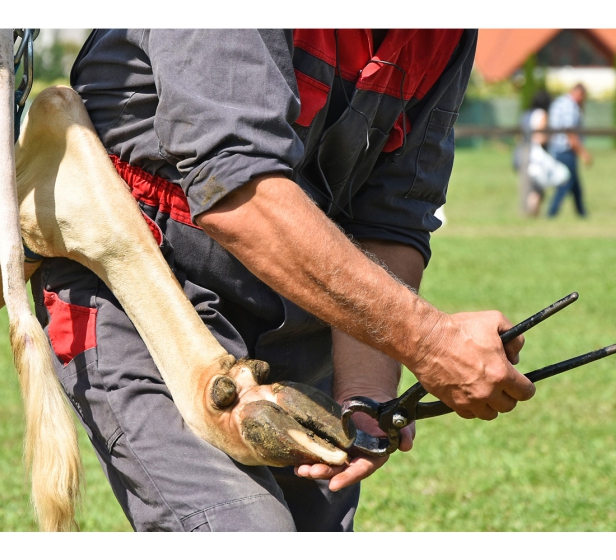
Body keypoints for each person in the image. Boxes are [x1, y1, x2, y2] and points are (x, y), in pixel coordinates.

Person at [33, 29, 534, 531]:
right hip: (142, 282)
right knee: (246, 528)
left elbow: (391, 213)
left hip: (305, 292)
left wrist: (364, 393)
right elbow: (236, 191)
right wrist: (431, 343)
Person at [547, 83, 593, 217]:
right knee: (566, 182)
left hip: (556, 148)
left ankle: (581, 213)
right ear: (580, 94)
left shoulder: (559, 102)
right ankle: (552, 213)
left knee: (575, 184)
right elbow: (570, 132)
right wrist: (583, 153)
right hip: (565, 150)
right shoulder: (570, 106)